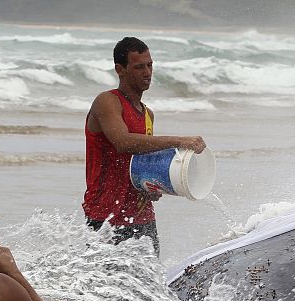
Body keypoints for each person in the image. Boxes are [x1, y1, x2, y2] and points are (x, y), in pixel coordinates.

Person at [83, 36, 207, 255]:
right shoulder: (107, 101)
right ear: (120, 69)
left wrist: (152, 185)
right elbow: (123, 142)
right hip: (105, 217)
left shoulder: (148, 114)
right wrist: (179, 141)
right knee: (104, 288)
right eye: (139, 67)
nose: (147, 72)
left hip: (143, 217)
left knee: (149, 287)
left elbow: (139, 164)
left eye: (150, 65)